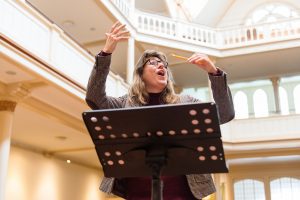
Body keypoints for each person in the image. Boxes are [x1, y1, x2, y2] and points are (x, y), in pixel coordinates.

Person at [86, 21, 235, 200]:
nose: (162, 66)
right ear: (141, 73)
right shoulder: (125, 103)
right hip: (137, 194)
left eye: (164, 64)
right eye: (154, 62)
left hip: (182, 195)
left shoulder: (185, 101)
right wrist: (106, 53)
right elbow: (94, 98)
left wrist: (213, 72)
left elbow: (224, 114)